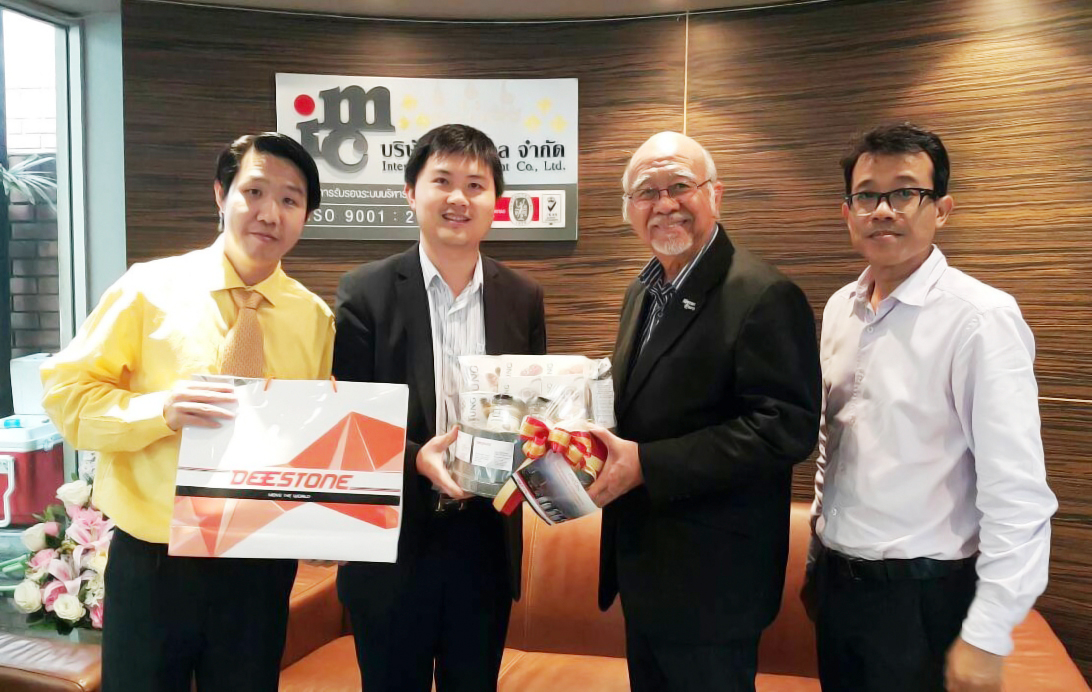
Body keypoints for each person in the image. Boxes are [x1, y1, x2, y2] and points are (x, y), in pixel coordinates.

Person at [40, 132, 334, 691]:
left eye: (290, 200)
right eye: (254, 192)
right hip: (156, 561)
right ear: (221, 194)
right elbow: (67, 393)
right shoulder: (148, 289)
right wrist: (160, 410)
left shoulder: (314, 317)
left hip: (260, 564)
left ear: (305, 216)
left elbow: (307, 437)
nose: (270, 213)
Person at [804, 123, 1057, 692]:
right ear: (847, 212)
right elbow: (833, 445)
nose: (883, 210)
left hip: (925, 599)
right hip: (839, 589)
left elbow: (1017, 494)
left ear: (942, 209)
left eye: (905, 193)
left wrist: (988, 632)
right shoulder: (841, 307)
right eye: (866, 195)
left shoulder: (980, 319)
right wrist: (818, 557)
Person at [588, 131, 821, 692]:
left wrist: (648, 465)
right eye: (647, 192)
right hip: (645, 571)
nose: (664, 204)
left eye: (679, 186)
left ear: (715, 194)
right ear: (627, 209)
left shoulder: (763, 294)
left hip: (715, 585)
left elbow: (785, 429)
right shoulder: (642, 292)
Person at [333, 124, 547, 692]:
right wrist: (415, 459)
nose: (459, 198)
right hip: (391, 542)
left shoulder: (522, 297)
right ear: (411, 192)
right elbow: (347, 422)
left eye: (476, 185)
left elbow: (532, 411)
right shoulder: (364, 293)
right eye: (442, 181)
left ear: (496, 201)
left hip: (484, 543)